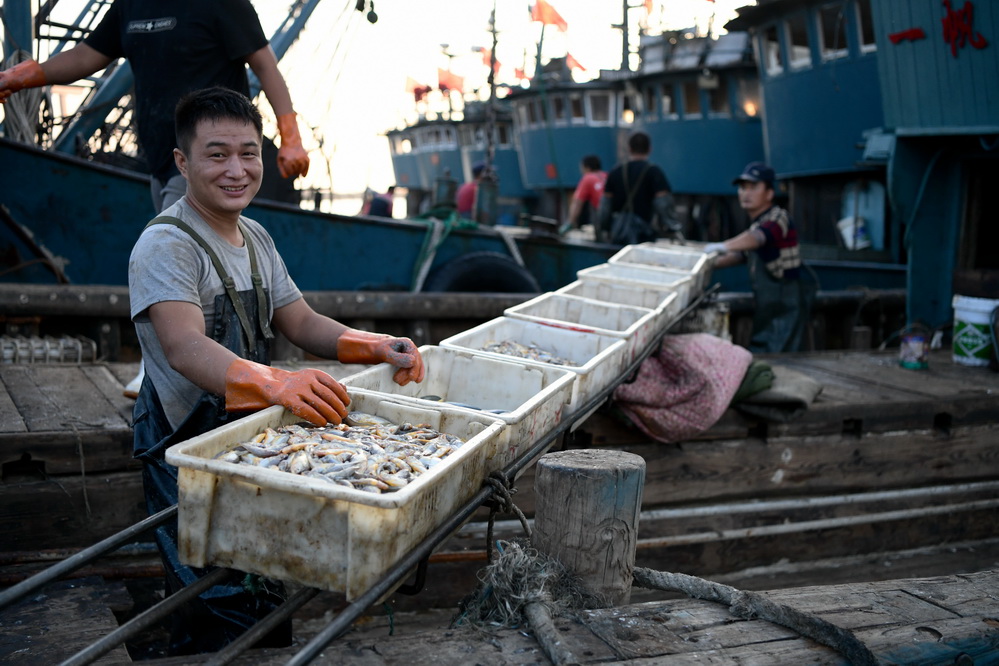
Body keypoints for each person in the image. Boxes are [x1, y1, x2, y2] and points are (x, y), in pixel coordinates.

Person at [127, 86, 424, 654]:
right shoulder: (166, 244)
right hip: (184, 449)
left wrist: (380, 346)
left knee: (263, 585)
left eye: (249, 152)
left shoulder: (257, 236)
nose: (236, 170)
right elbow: (184, 347)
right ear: (183, 163)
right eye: (217, 155)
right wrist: (275, 382)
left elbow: (302, 322)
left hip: (248, 440)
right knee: (212, 597)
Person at [0, 0, 311, 398]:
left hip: (205, 163)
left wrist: (291, 137)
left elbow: (265, 64)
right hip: (161, 159)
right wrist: (20, 76)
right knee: (177, 264)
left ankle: (164, 368)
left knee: (176, 238)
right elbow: (86, 56)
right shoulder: (130, 5)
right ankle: (180, 364)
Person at [704, 161, 807, 353]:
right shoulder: (756, 225)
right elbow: (738, 256)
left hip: (784, 309)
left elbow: (758, 238)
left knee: (780, 359)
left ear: (769, 193)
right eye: (743, 188)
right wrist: (702, 264)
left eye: (753, 187)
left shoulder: (778, 217)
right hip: (769, 309)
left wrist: (720, 246)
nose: (746, 193)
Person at [598, 131, 681, 245]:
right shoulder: (654, 172)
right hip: (644, 234)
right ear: (650, 149)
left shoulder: (616, 171)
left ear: (629, 148)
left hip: (619, 233)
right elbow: (664, 205)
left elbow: (605, 206)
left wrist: (605, 228)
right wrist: (672, 228)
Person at [562, 154, 606, 234]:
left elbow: (577, 203)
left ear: (587, 168)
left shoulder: (588, 178)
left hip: (602, 217)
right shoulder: (606, 176)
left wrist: (570, 223)